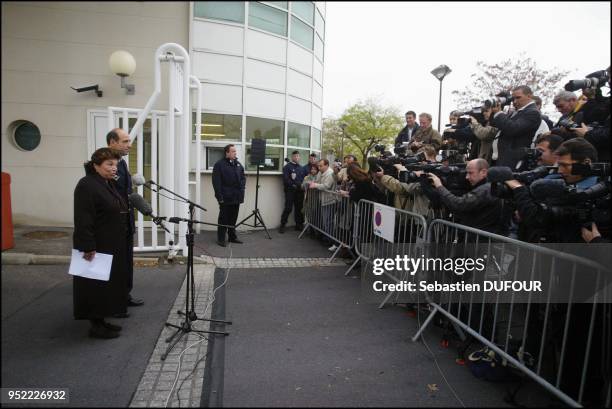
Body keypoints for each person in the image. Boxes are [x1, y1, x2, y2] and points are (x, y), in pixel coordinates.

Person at [73, 148, 129, 339]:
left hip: (111, 243)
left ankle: (102, 320)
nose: (114, 168)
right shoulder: (86, 185)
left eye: (116, 164)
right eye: (109, 164)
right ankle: (95, 326)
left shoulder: (106, 183)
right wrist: (87, 246)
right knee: (94, 285)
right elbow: (83, 219)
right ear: (96, 165)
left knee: (106, 285)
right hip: (97, 245)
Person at [106, 128, 143, 313]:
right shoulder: (105, 163)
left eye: (129, 141)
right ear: (112, 142)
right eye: (125, 141)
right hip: (113, 224)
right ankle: (114, 302)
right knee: (116, 264)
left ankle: (124, 295)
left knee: (126, 262)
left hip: (126, 221)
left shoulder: (122, 162)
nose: (130, 145)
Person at [427, 158, 509, 235]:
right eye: (466, 173)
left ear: (483, 172)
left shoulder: (485, 190)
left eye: (470, 173)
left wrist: (439, 186)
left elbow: (459, 205)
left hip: (481, 241)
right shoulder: (490, 187)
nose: (467, 177)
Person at [490, 85, 542, 169]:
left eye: (518, 98)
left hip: (513, 159)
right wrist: (496, 110)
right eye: (513, 98)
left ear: (529, 96)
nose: (514, 101)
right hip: (502, 157)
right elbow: (496, 125)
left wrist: (499, 113)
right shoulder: (517, 111)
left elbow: (513, 129)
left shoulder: (533, 112)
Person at [212, 144, 246, 247]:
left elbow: (243, 178)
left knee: (233, 218)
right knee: (223, 218)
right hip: (225, 197)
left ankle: (232, 237)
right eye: (233, 151)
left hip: (236, 197)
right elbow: (216, 182)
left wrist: (242, 189)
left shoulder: (238, 164)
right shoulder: (219, 165)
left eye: (235, 151)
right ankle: (221, 239)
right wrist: (219, 197)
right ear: (227, 153)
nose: (235, 153)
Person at [309, 159, 337, 247]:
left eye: (321, 166)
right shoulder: (321, 172)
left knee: (328, 221)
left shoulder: (330, 173)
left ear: (327, 165)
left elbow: (326, 186)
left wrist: (315, 185)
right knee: (325, 221)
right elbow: (317, 182)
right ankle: (327, 238)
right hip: (323, 199)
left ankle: (331, 241)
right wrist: (313, 183)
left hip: (329, 200)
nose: (319, 168)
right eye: (318, 166)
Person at [280, 150, 305, 233]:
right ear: (292, 157)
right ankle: (282, 225)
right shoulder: (287, 167)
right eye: (295, 156)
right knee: (288, 208)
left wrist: (301, 186)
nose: (297, 157)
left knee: (299, 209)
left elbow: (303, 179)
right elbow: (286, 180)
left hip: (299, 192)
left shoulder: (301, 168)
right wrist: (294, 185)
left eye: (298, 156)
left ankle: (298, 225)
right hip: (290, 191)